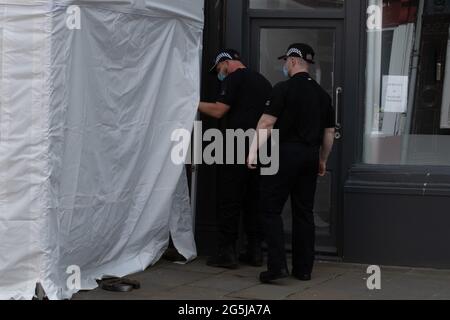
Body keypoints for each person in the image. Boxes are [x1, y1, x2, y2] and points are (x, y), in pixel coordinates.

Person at [247, 43, 336, 283]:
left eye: (286, 60)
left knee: (270, 209)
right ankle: (303, 269)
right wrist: (322, 160)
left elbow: (266, 124)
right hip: (309, 156)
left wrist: (253, 152)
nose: (284, 65)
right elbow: (329, 133)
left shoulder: (283, 89)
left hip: (283, 154)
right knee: (304, 212)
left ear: (294, 60)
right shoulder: (322, 95)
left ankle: (277, 267)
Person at [198, 49, 272, 269]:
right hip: (262, 145)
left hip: (237, 143)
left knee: (229, 197)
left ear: (227, 63)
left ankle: (226, 252)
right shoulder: (262, 80)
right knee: (254, 199)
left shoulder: (235, 77)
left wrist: (191, 104)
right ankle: (255, 250)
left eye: (219, 69)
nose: (219, 75)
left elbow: (219, 110)